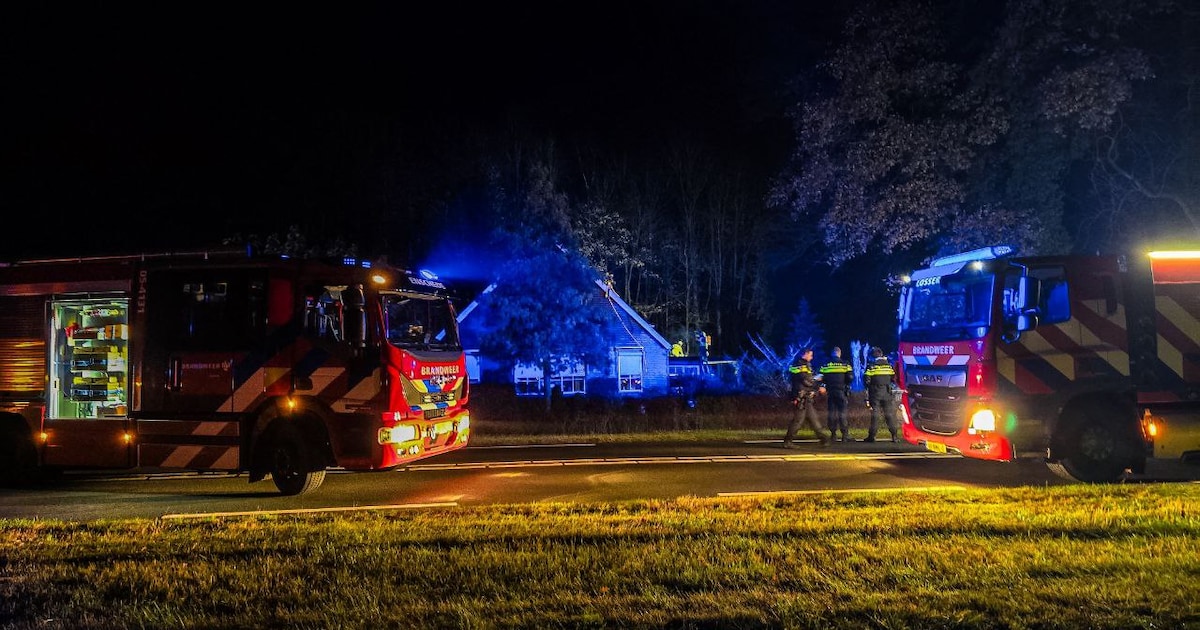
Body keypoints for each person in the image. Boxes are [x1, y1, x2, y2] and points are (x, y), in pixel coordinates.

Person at [784, 348, 831, 447]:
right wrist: (817, 385)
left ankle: (824, 439)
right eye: (810, 355)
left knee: (813, 419)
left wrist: (814, 380)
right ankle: (788, 441)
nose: (812, 357)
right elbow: (806, 381)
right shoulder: (801, 365)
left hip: (806, 397)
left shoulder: (799, 364)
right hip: (801, 398)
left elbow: (807, 379)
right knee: (798, 421)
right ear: (805, 354)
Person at [864, 346, 900, 442]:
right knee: (889, 415)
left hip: (875, 394)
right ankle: (894, 436)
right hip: (887, 393)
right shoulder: (889, 366)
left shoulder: (871, 366)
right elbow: (893, 379)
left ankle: (872, 437)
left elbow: (866, 381)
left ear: (875, 355)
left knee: (875, 416)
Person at [819, 346, 854, 442]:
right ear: (840, 353)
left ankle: (833, 434)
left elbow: (820, 377)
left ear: (832, 354)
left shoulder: (826, 364)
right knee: (842, 413)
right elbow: (850, 377)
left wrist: (823, 385)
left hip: (830, 391)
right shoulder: (845, 364)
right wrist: (846, 383)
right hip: (841, 391)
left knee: (832, 413)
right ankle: (845, 435)